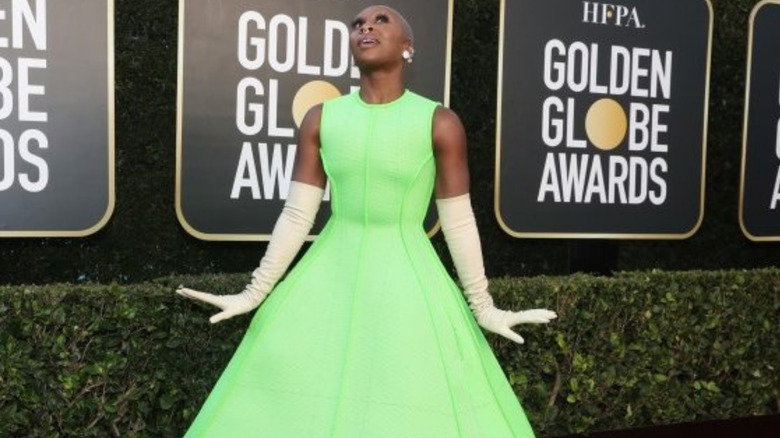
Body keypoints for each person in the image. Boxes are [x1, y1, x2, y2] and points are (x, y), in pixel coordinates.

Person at [176, 5, 556, 437]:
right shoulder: (321, 118)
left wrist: (482, 306)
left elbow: (460, 221)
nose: (366, 28)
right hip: (326, 279)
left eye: (380, 21)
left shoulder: (440, 122)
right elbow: (299, 213)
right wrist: (253, 293)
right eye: (358, 24)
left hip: (409, 283)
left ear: (408, 47)